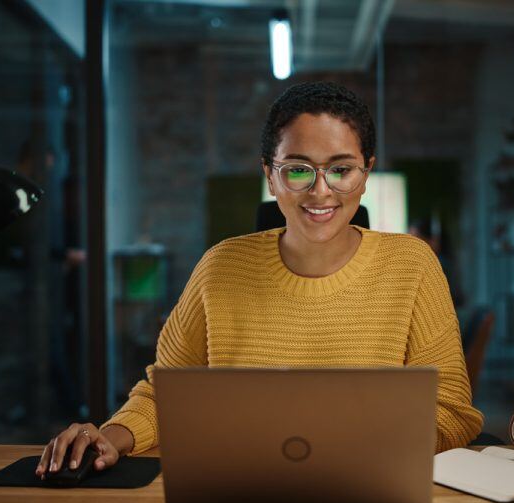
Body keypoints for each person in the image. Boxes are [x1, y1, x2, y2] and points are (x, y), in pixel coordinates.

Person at [37, 81, 483, 477]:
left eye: (341, 170)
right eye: (298, 169)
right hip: (242, 492)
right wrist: (109, 438)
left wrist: (355, 447)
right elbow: (165, 394)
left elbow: (452, 412)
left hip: (370, 489)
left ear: (366, 173)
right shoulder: (220, 268)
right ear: (270, 174)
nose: (320, 190)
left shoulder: (413, 265)